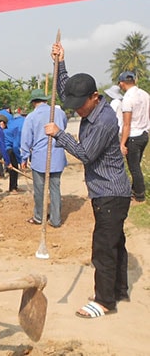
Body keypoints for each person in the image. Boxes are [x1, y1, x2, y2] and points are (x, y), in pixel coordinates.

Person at [45, 42, 131, 319]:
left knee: (104, 248)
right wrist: (61, 63)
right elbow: (65, 89)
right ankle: (118, 289)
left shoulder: (103, 121)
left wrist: (59, 134)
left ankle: (104, 301)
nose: (77, 109)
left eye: (81, 105)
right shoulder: (90, 107)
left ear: (95, 97)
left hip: (110, 193)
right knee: (115, 242)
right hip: (107, 191)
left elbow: (86, 154)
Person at [20, 89, 68, 227]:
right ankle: (56, 219)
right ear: (45, 100)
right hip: (57, 155)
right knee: (55, 188)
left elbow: (26, 139)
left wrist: (24, 157)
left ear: (33, 102)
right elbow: (62, 128)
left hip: (40, 157)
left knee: (39, 190)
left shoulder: (31, 117)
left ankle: (39, 217)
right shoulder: (59, 113)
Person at [118, 71, 150, 203]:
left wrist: (122, 143)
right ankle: (135, 189)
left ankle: (139, 193)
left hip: (133, 136)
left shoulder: (127, 99)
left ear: (121, 83)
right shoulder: (145, 94)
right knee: (137, 164)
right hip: (144, 133)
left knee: (133, 167)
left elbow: (127, 124)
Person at [4, 109, 26, 194]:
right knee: (13, 168)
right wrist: (21, 160)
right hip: (7, 147)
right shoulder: (20, 127)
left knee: (15, 166)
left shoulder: (14, 122)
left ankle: (15, 187)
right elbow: (16, 145)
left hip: (9, 146)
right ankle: (12, 188)